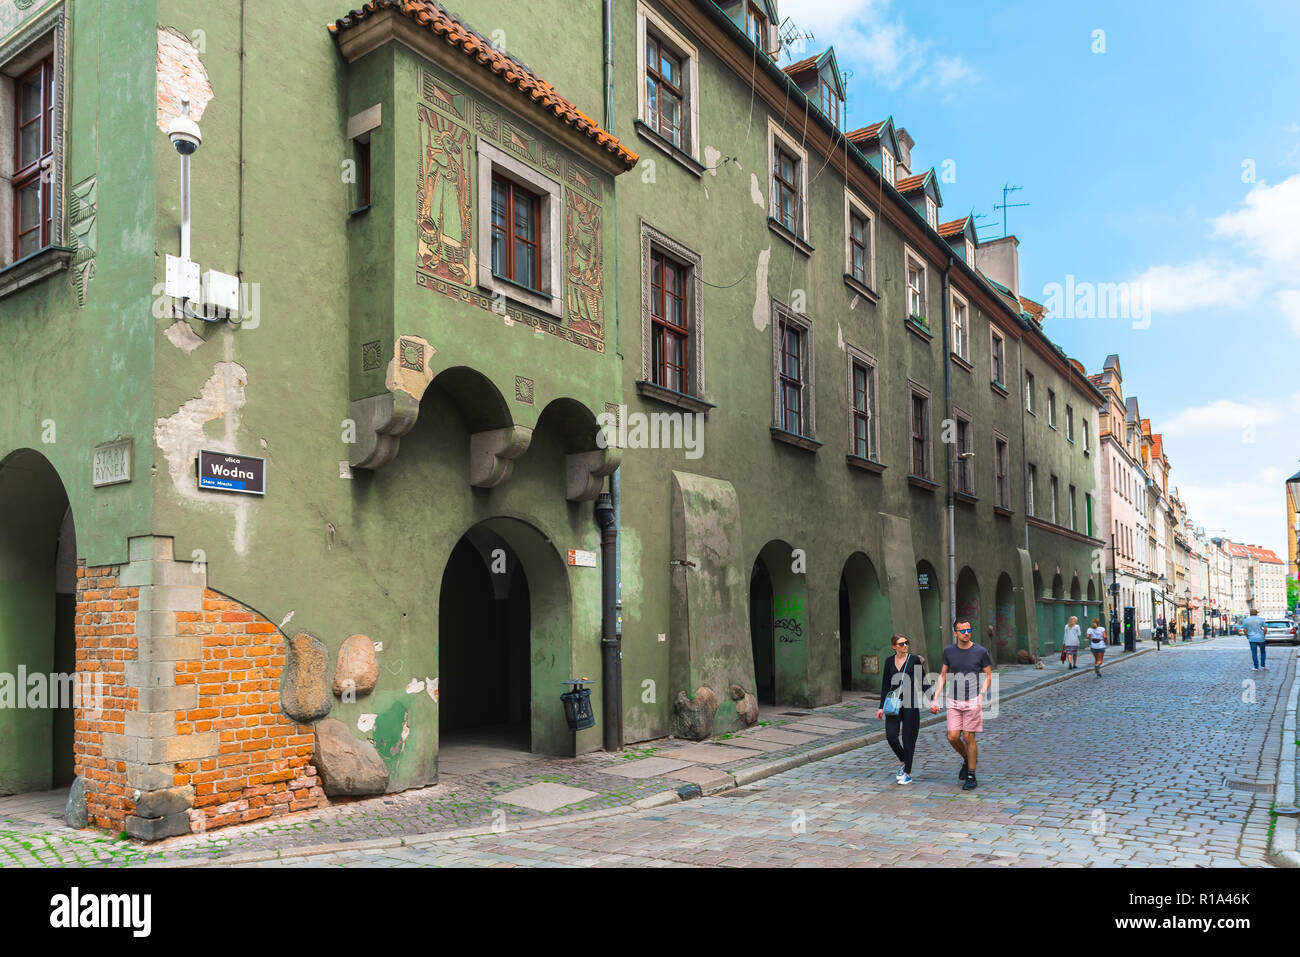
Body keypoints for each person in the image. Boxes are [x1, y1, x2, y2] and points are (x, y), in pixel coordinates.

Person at [929, 619, 993, 791]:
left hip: (973, 699)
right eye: (962, 630)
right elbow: (943, 675)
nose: (966, 633)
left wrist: (981, 695)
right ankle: (967, 758)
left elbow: (988, 676)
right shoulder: (949, 651)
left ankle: (971, 775)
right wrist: (935, 698)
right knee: (952, 737)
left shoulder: (980, 651)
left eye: (969, 630)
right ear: (955, 633)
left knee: (968, 737)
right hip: (954, 700)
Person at [876, 634, 924, 785]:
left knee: (908, 739)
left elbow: (923, 682)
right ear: (894, 646)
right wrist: (881, 707)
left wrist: (934, 699)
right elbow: (885, 685)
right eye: (901, 644)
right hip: (893, 703)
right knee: (891, 736)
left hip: (910, 703)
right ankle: (904, 761)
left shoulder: (914, 660)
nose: (905, 646)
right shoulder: (889, 661)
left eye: (906, 643)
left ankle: (907, 772)